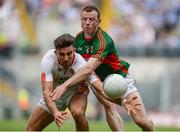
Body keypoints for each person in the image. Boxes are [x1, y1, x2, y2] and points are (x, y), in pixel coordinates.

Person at [51, 5, 154, 131]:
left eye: (91, 19)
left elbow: (88, 68)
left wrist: (65, 85)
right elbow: (77, 64)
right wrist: (81, 82)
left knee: (140, 121)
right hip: (97, 79)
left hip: (119, 78)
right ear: (81, 21)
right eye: (84, 19)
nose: (87, 23)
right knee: (108, 106)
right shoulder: (77, 39)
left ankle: (150, 127)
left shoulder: (103, 40)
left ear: (99, 22)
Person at [26, 33, 99, 131]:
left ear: (74, 51)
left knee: (78, 113)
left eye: (69, 53)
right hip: (54, 96)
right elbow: (47, 91)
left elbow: (98, 86)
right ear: (56, 53)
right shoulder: (48, 60)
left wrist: (124, 100)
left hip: (75, 93)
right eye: (62, 54)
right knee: (30, 130)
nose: (66, 58)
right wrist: (55, 112)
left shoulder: (81, 63)